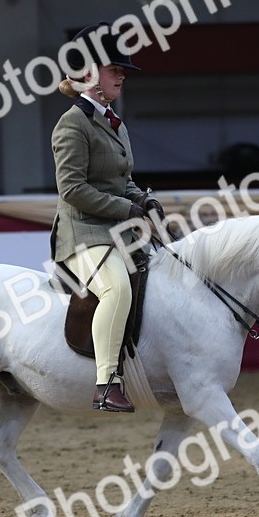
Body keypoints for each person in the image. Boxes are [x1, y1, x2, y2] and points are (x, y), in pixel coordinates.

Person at [49, 23, 165, 413]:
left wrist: (143, 199)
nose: (121, 75)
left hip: (116, 231)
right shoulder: (72, 123)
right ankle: (107, 382)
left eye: (122, 70)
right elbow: (72, 189)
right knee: (117, 289)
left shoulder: (115, 122)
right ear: (88, 72)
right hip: (82, 233)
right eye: (114, 68)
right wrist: (125, 209)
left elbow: (122, 181)